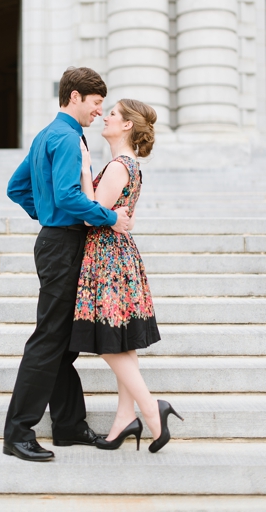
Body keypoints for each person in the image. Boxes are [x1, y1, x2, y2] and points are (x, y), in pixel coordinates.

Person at [3, 66, 131, 462]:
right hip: (64, 244)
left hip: (56, 241)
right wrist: (110, 217)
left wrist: (44, 215)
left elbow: (16, 187)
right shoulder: (67, 137)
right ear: (75, 96)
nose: (99, 112)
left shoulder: (47, 134)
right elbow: (68, 194)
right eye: (96, 104)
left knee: (61, 344)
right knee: (49, 341)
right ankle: (18, 433)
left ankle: (69, 424)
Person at [71, 98, 183, 453]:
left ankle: (152, 410)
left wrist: (85, 169)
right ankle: (124, 418)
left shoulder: (119, 166)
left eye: (113, 114)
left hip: (108, 259)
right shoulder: (128, 164)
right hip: (118, 257)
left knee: (108, 342)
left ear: (127, 126)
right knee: (122, 342)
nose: (105, 117)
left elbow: (91, 215)